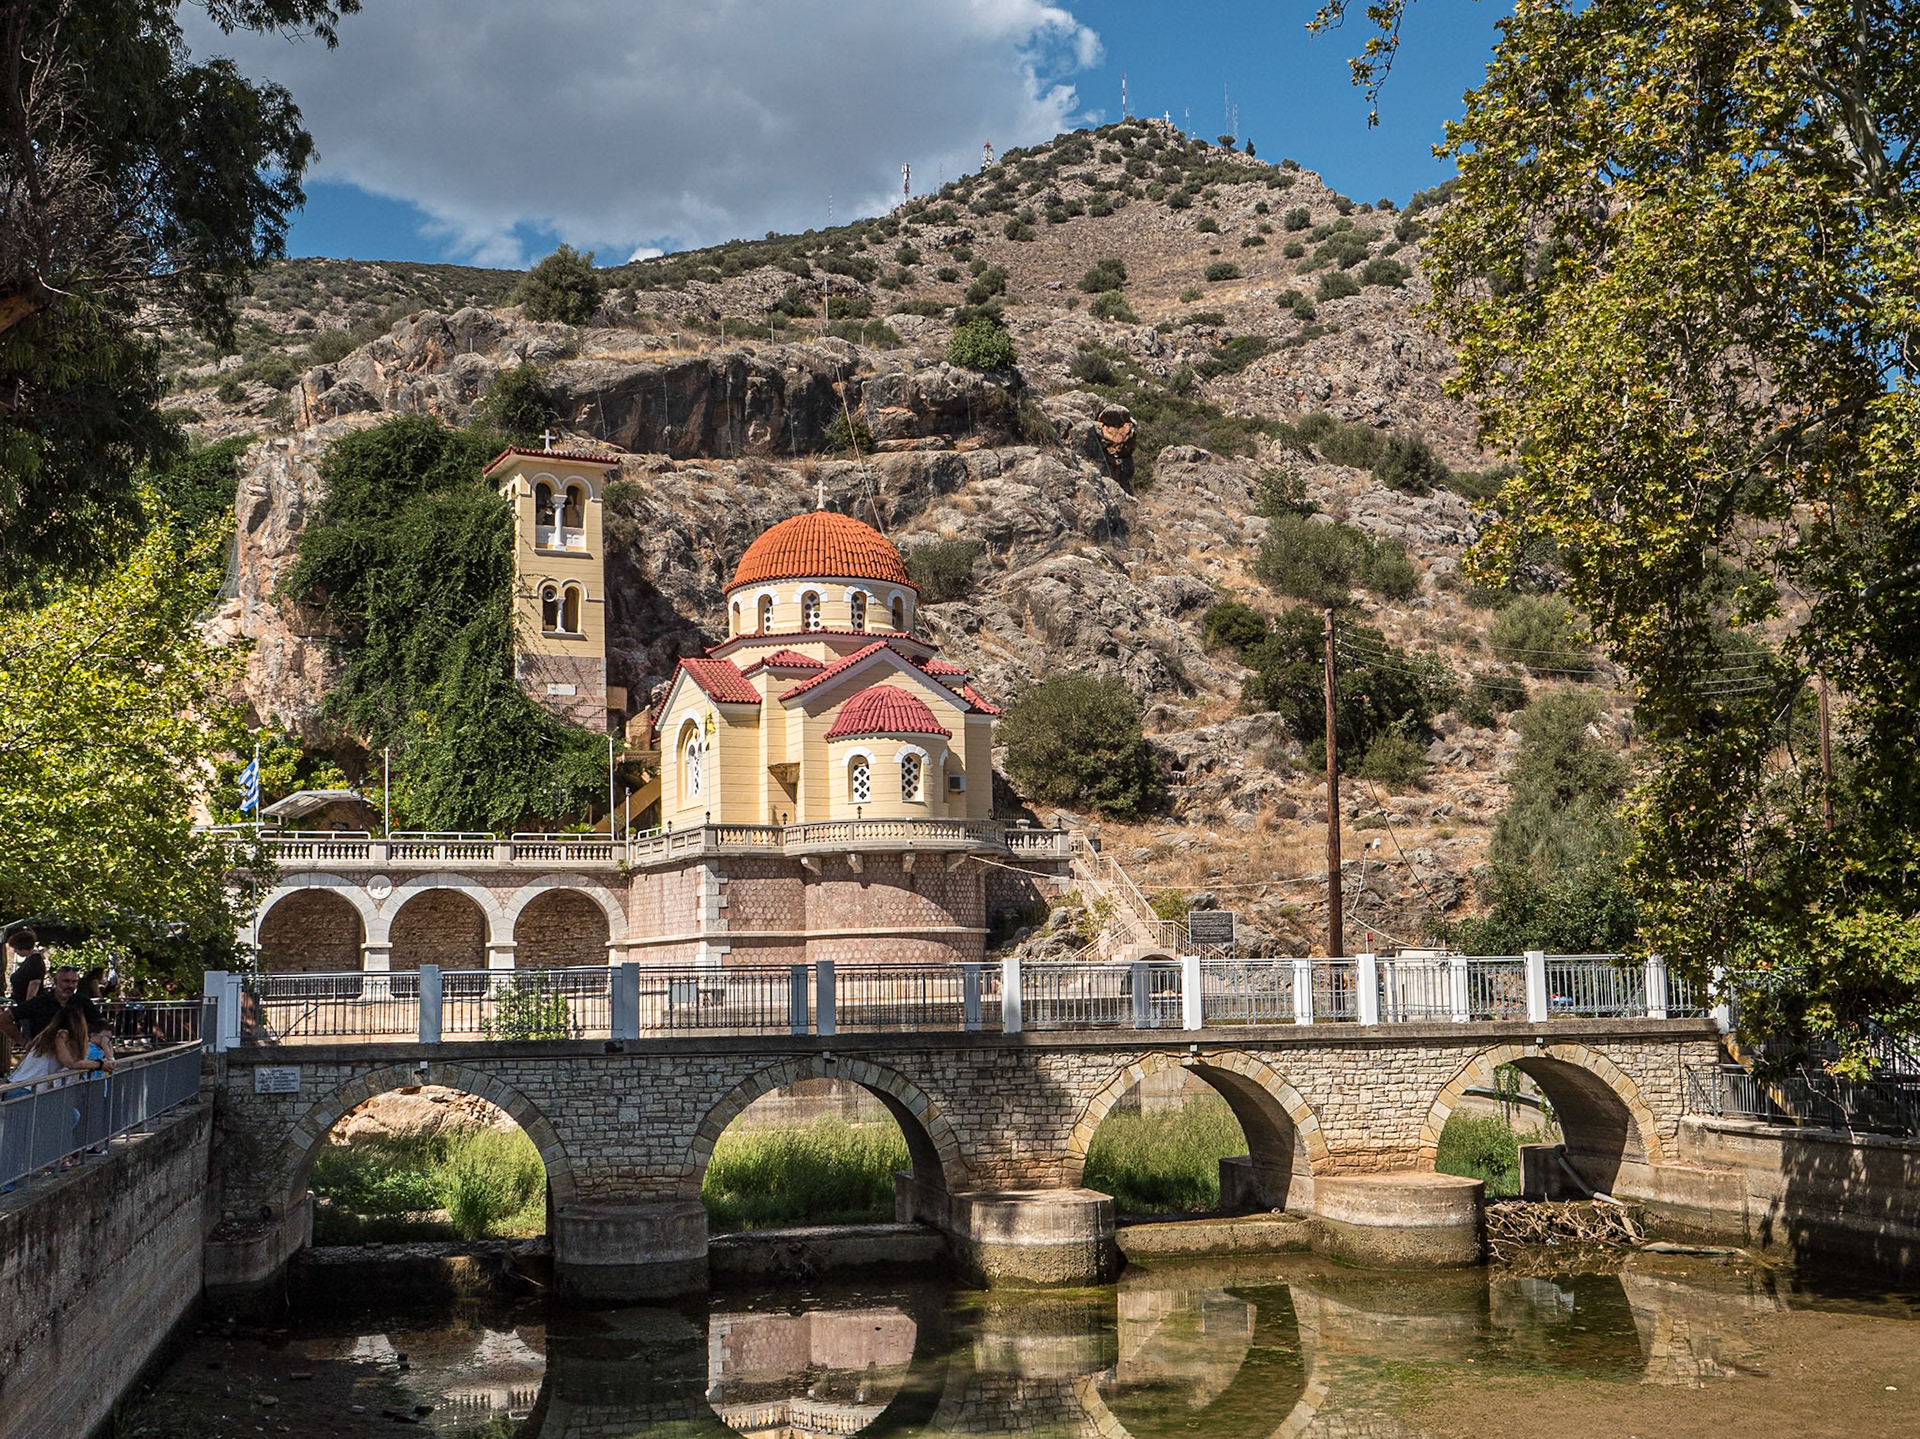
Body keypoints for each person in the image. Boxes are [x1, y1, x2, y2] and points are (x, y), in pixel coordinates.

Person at [18, 964, 111, 1061]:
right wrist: (23, 1042)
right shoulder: (39, 1002)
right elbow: (5, 1018)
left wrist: (102, 1038)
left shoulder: (82, 1002)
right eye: (66, 981)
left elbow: (103, 1024)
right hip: (43, 1058)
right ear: (55, 981)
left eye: (74, 982)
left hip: (73, 1057)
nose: (70, 985)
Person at [8, 1002, 110, 1085]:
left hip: (23, 1087)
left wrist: (88, 1066)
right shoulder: (61, 1034)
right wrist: (99, 1064)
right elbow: (70, 1063)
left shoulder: (46, 1035)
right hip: (27, 1089)